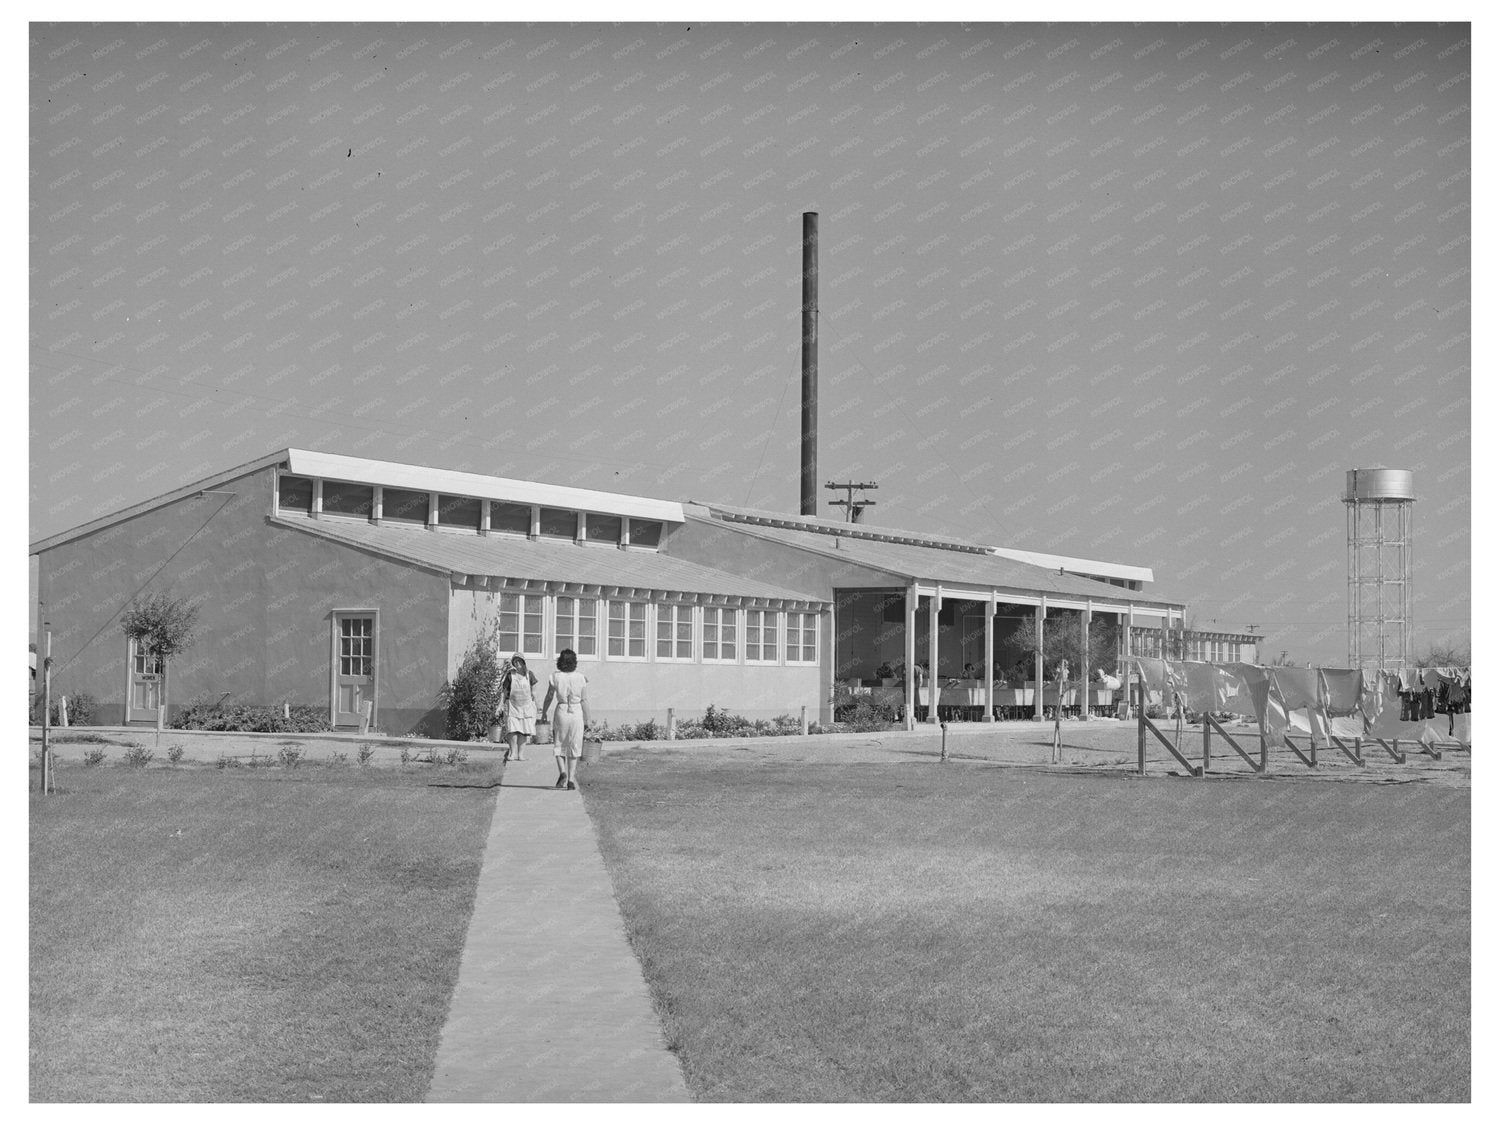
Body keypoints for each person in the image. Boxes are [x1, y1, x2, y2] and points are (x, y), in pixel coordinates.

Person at [540, 648, 591, 791]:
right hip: (576, 712)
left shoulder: (555, 677)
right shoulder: (581, 677)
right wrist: (588, 719)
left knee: (559, 743)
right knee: (574, 745)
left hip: (562, 710)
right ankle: (570, 780)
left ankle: (562, 772)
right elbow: (584, 700)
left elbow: (549, 696)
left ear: (560, 662)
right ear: (574, 662)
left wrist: (543, 712)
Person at [497, 654, 538, 762]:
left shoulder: (530, 675)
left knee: (524, 731)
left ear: (523, 662)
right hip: (513, 706)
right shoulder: (510, 675)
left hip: (526, 707)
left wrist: (537, 704)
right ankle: (513, 753)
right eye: (515, 661)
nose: (517, 663)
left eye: (519, 661)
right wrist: (500, 705)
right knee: (512, 730)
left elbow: (534, 691)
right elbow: (504, 691)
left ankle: (521, 755)